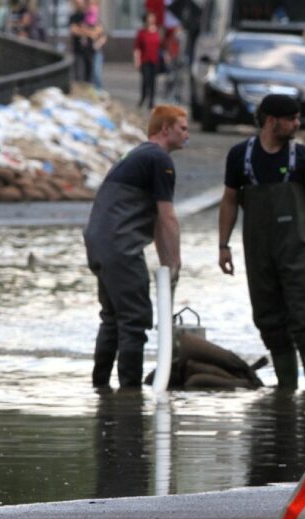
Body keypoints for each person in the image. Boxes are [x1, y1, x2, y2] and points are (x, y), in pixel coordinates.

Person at [217, 95, 305, 391]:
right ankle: (286, 393)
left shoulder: (303, 157)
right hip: (259, 254)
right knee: (270, 322)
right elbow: (229, 201)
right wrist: (223, 246)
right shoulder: (240, 156)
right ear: (272, 121)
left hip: (298, 252)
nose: (298, 123)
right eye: (292, 119)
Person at [84, 105, 188, 389]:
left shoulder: (137, 155)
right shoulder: (159, 159)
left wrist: (167, 266)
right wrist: (176, 261)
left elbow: (155, 223)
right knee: (134, 320)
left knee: (112, 318)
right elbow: (167, 217)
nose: (188, 135)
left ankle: (100, 387)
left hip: (99, 244)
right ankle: (130, 393)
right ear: (165, 129)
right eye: (182, 128)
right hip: (121, 247)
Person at [135, 12, 162, 110]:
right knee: (145, 80)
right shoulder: (142, 32)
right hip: (145, 60)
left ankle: (151, 101)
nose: (151, 20)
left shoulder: (158, 31)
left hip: (154, 60)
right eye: (150, 18)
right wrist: (137, 60)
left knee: (153, 81)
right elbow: (137, 48)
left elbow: (161, 45)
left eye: (153, 18)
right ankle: (143, 98)